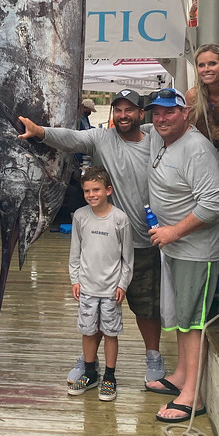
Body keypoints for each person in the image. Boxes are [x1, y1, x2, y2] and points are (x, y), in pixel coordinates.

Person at [18, 89, 165, 384]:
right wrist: (40, 132)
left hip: (146, 241)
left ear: (140, 113)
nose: (123, 115)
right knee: (97, 306)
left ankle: (153, 356)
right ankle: (88, 362)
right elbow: (71, 138)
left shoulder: (156, 141)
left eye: (129, 110)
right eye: (118, 110)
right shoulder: (100, 138)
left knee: (147, 307)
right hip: (104, 246)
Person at [142, 88, 219, 423]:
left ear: (186, 113)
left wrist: (173, 231)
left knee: (193, 321)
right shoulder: (160, 138)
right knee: (181, 316)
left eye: (169, 112)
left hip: (195, 250)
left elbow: (213, 204)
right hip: (173, 248)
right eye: (156, 113)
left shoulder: (197, 148)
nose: (161, 118)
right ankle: (181, 377)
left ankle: (193, 396)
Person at [67, 167, 133, 401]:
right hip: (87, 287)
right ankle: (90, 373)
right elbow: (75, 252)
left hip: (111, 289)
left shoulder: (120, 219)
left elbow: (127, 258)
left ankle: (110, 377)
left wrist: (122, 284)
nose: (91, 194)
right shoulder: (81, 216)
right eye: (87, 191)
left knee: (110, 332)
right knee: (87, 331)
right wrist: (75, 279)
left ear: (108, 190)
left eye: (96, 189)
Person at [185, 43, 219, 151]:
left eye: (212, 63)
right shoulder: (193, 96)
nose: (206, 69)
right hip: (205, 156)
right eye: (201, 65)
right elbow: (190, 133)